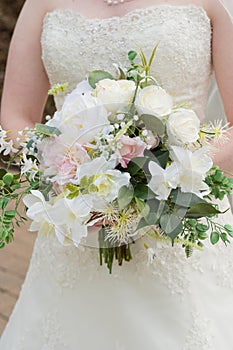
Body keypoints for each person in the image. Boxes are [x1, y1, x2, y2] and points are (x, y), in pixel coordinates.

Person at [0, 0, 233, 348]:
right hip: (78, 218)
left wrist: (163, 178)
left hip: (180, 215)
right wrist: (72, 172)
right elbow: (16, 115)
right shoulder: (41, 3)